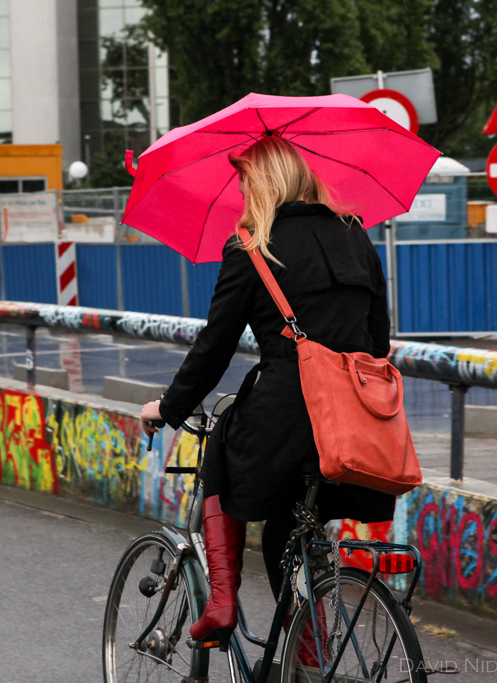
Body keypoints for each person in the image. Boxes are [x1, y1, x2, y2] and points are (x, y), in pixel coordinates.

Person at [140, 135, 397, 649]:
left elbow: (214, 348)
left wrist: (167, 408)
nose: (241, 192)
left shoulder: (251, 247)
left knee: (222, 449)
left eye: (244, 181)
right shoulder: (356, 235)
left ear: (262, 183)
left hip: (282, 419)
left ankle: (221, 601)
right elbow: (378, 342)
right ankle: (308, 654)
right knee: (288, 534)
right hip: (355, 426)